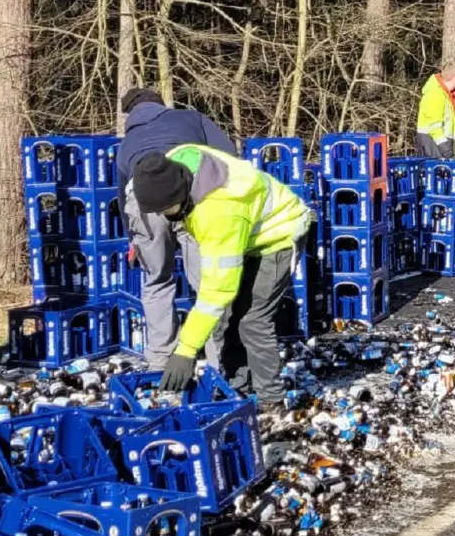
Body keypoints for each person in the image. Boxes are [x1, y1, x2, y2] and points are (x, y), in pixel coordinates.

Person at [130, 146, 313, 403]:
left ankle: (270, 399)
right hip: (245, 232)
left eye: (166, 209)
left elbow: (217, 291)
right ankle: (236, 388)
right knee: (225, 319)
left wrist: (185, 350)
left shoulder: (219, 211)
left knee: (253, 320)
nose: (163, 215)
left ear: (180, 195)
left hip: (280, 233)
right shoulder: (177, 160)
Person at [117, 87, 240, 370]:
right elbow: (229, 153)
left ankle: (160, 359)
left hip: (144, 202)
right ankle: (217, 359)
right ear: (162, 104)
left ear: (130, 114)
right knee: (207, 281)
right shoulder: (190, 118)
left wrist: (132, 240)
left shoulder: (128, 141)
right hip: (191, 192)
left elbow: (123, 194)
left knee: (157, 279)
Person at [416, 62, 455, 159]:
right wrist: (447, 152)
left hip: (441, 151)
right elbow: (434, 128)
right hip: (436, 153)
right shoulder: (435, 94)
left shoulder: (446, 95)